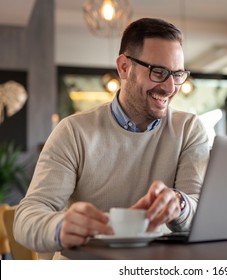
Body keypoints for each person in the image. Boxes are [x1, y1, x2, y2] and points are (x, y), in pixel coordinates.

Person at [14, 18, 210, 259]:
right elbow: (27, 217)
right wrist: (61, 225)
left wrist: (179, 204)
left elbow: (199, 212)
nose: (170, 87)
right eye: (159, 72)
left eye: (177, 74)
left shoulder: (189, 129)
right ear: (124, 67)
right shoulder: (73, 131)